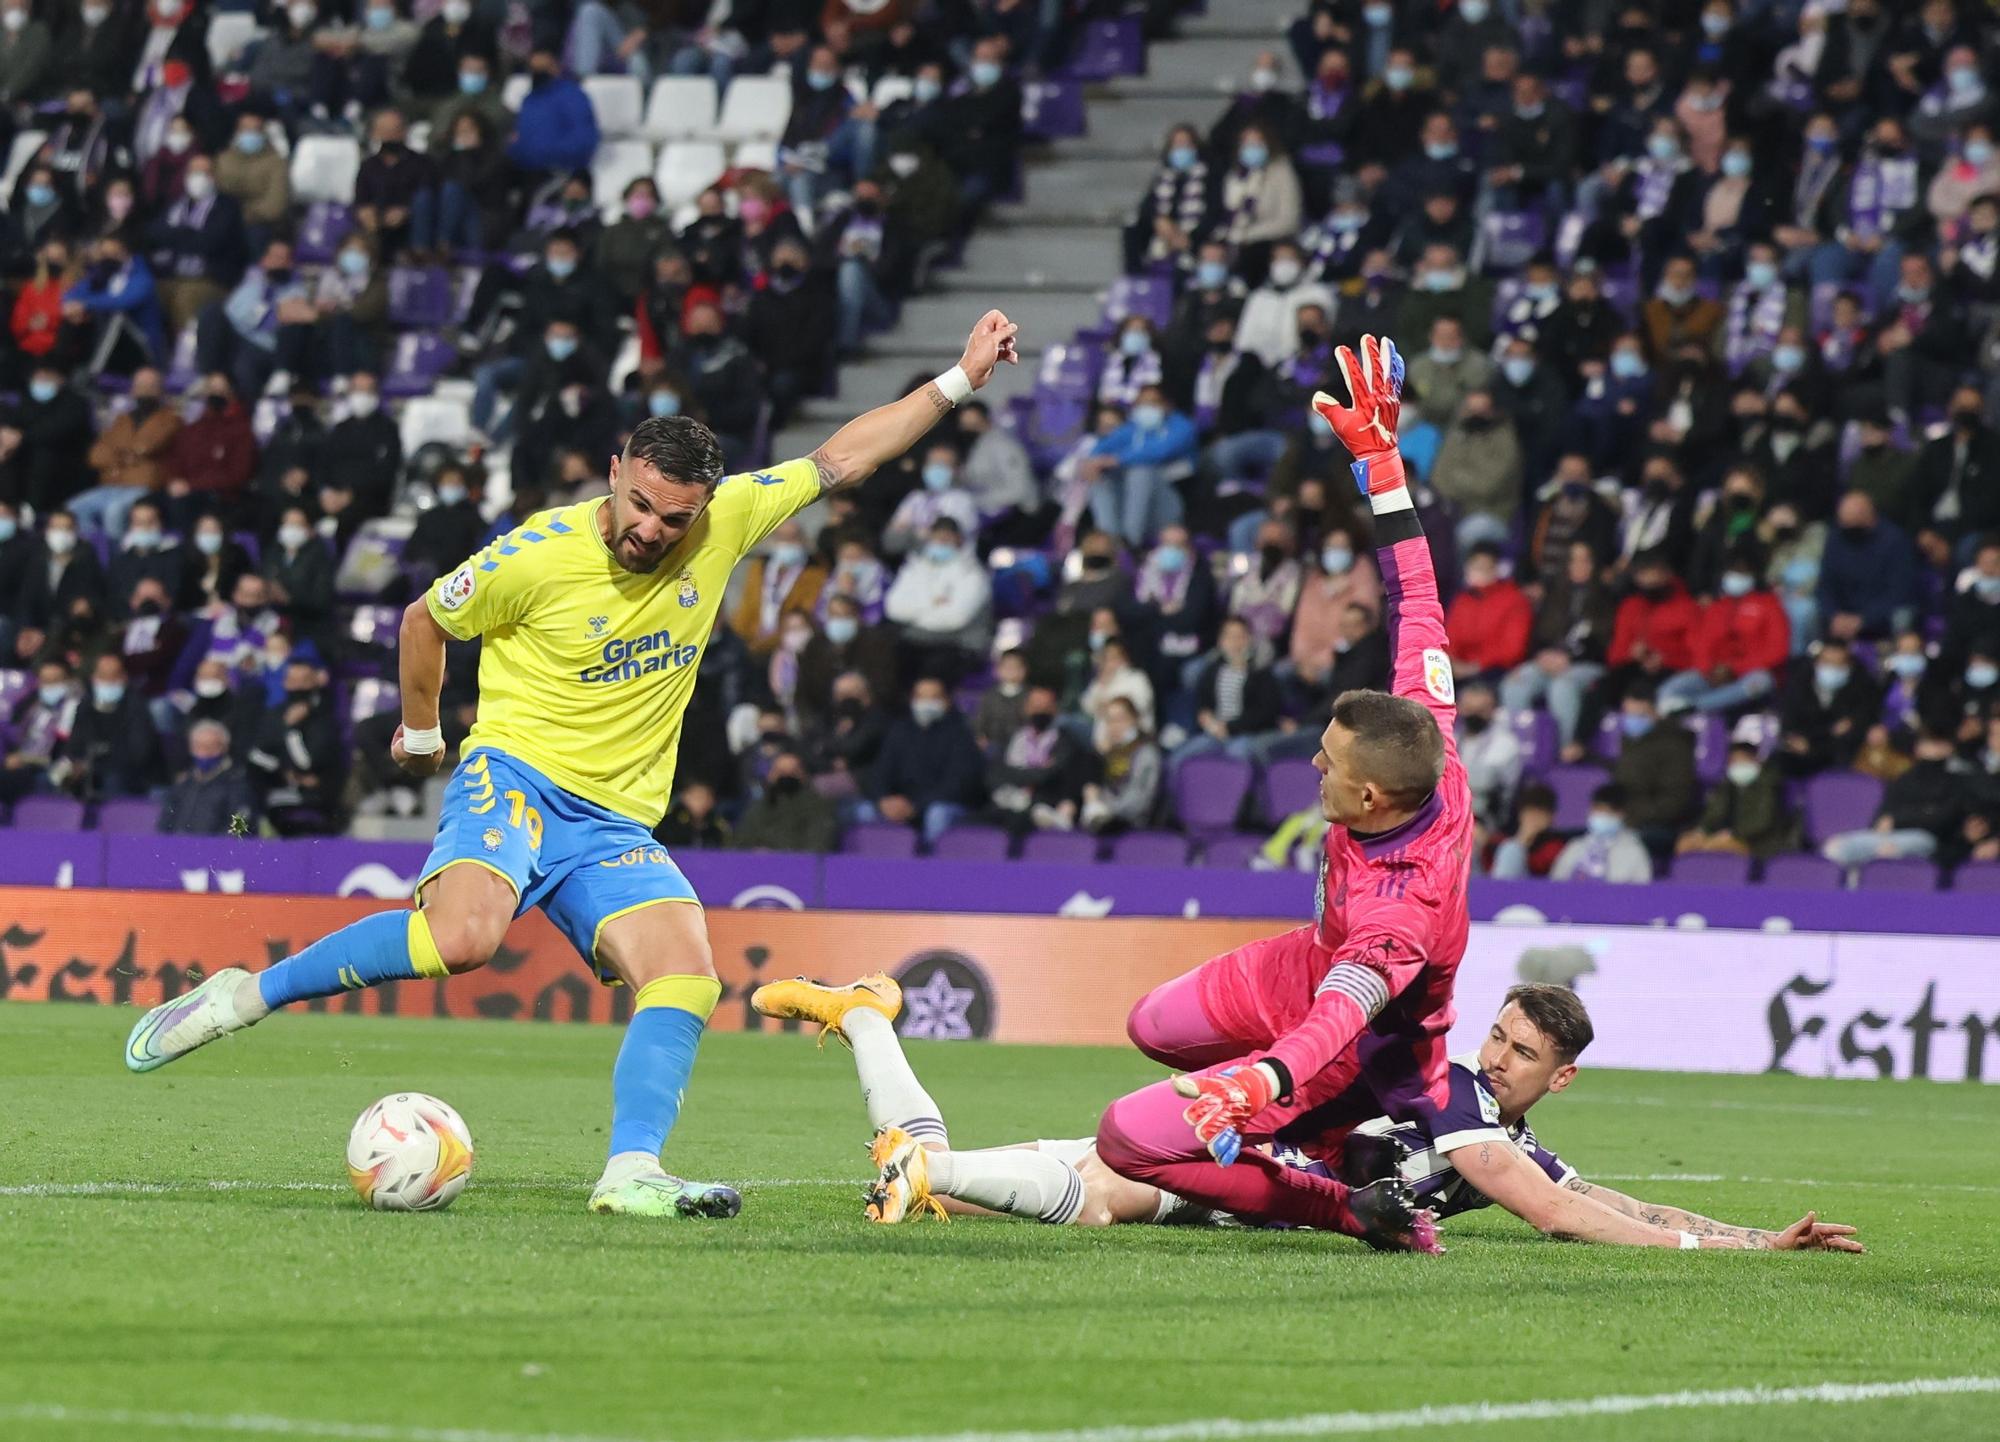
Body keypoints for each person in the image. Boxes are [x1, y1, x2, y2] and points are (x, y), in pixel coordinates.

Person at [121, 308, 1023, 1220]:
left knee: (685, 974)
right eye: (639, 505)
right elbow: (423, 620)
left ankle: (629, 1171)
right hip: (515, 776)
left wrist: (957, 379)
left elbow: (844, 457)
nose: (651, 530)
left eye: (675, 517)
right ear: (614, 475)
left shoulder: (727, 521)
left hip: (613, 819)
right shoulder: (538, 555)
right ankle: (244, 995)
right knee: (460, 942)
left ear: (704, 507)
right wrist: (427, 735)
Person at [1083, 336, 1467, 1248]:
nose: (1314, 768)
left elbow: (1341, 1014)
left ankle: (1340, 1199)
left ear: (1373, 801)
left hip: (1361, 1047)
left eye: (1330, 765)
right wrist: (1381, 466)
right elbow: (1418, 600)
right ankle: (1315, 1145)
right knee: (1152, 1023)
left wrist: (1260, 1085)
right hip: (1304, 961)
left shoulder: (1400, 908)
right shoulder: (1425, 736)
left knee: (1124, 1139)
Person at [755, 976, 1860, 1251]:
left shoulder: (1503, 1131)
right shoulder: (1460, 1097)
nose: (1494, 1055)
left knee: (1018, 1182)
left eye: (1522, 1051)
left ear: (1557, 1073)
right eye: (1495, 1034)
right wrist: (1695, 1252)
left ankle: (864, 1021)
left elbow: (1600, 1195)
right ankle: (918, 1162)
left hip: (1249, 1172)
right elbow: (1559, 1217)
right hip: (1234, 1150)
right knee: (1098, 1200)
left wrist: (1752, 1242)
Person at [1678, 742, 1799, 863]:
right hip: (1725, 836)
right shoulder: (1727, 784)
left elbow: (1762, 821)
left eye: (1742, 760)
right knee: (1686, 843)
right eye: (1733, 761)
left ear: (1755, 760)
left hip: (1759, 843)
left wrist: (1733, 835)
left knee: (1716, 847)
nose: (1738, 764)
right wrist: (1701, 831)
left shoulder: (1769, 785)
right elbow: (1714, 813)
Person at [158, 719, 257, 834]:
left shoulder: (237, 785)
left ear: (224, 748)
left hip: (217, 849)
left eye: (210, 747)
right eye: (198, 746)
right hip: (177, 848)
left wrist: (211, 848)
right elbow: (164, 823)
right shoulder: (184, 783)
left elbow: (239, 829)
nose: (204, 753)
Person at [731, 748, 838, 853]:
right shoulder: (759, 807)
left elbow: (817, 846)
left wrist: (775, 854)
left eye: (793, 772)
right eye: (780, 772)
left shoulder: (818, 807)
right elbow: (741, 843)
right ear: (770, 775)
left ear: (804, 775)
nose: (786, 777)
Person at [1550, 784, 1652, 884]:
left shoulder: (1634, 850)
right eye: (1598, 809)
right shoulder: (1576, 846)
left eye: (1608, 812)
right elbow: (1555, 884)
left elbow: (1643, 892)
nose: (1602, 816)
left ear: (1621, 815)